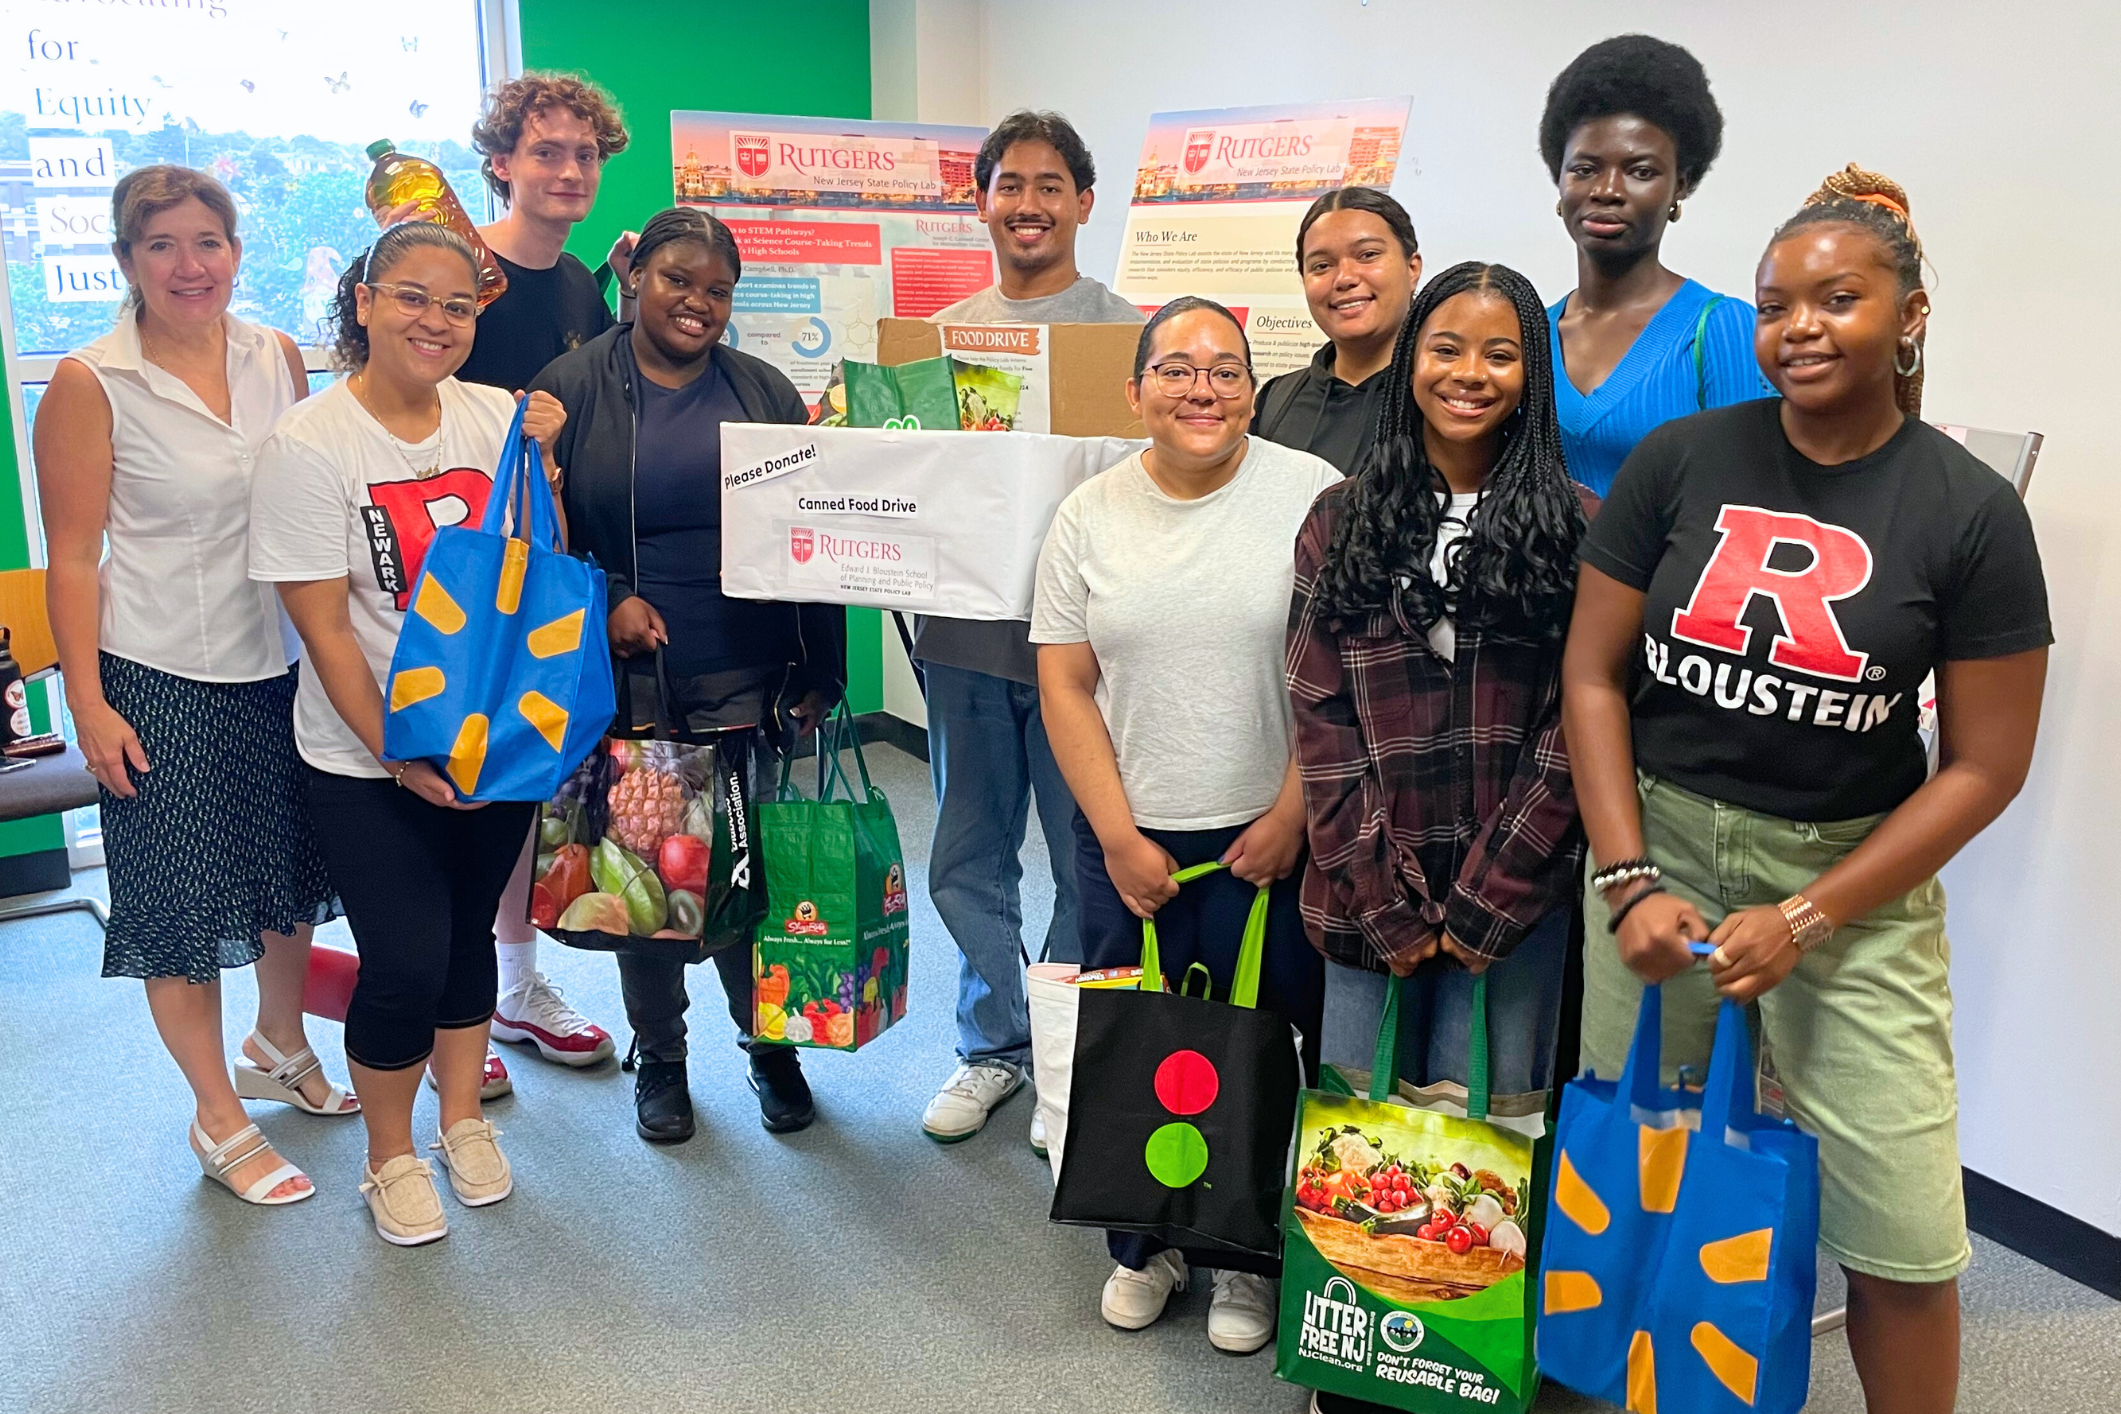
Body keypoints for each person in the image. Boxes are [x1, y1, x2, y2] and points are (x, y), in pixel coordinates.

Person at [1561, 169, 2049, 1414]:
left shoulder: (1970, 511)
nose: (1801, 327)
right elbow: (1594, 673)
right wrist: (1625, 876)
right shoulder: (1681, 459)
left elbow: (1987, 764)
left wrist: (1812, 914)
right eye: (1778, 304)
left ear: (1911, 313)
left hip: (1855, 885)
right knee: (1638, 1172)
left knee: (1903, 1232)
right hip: (1655, 853)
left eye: (1839, 298)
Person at [1287, 264, 1592, 1414]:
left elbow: (1578, 725)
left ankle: (1462, 1362)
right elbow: (1316, 711)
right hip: (1368, 887)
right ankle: (1357, 1361)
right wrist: (1385, 892)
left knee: (1494, 1121)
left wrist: (1488, 895)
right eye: (1447, 349)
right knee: (1366, 1119)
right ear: (1411, 360)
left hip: (1515, 900)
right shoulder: (1341, 516)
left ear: (1531, 377)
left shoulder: (1576, 526)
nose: (1470, 374)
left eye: (1500, 353)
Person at [34, 165, 351, 1208]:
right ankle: (217, 1114)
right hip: (155, 669)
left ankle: (279, 1037)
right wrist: (87, 702)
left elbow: (309, 507)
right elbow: (72, 556)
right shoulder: (92, 380)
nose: (188, 265)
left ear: (235, 252)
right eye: (161, 245)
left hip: (278, 661)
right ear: (126, 260)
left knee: (286, 877)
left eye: (206, 242)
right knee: (179, 901)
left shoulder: (275, 357)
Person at [249, 222, 570, 1246]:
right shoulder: (309, 446)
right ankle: (389, 1155)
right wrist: (399, 748)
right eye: (412, 298)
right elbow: (326, 627)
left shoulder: (499, 421)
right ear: (365, 301)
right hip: (364, 755)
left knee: (467, 936)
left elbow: (531, 575)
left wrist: (548, 452)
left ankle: (463, 1120)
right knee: (402, 956)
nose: (435, 321)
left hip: (494, 743)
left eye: (458, 305)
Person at [1033, 297, 1339, 1355]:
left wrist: (1298, 805)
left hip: (1269, 839)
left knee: (1263, 1045)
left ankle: (1248, 1254)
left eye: (1225, 370)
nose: (1201, 388)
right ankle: (1144, 1242)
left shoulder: (1310, 494)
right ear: (1136, 390)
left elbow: (1347, 666)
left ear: (1255, 387)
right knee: (1141, 1048)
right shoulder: (1090, 513)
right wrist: (1116, 834)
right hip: (1131, 838)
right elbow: (1067, 681)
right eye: (1175, 368)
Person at [530, 208, 846, 1143]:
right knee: (645, 883)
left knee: (748, 876)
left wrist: (819, 669)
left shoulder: (762, 390)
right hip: (633, 676)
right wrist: (611, 598)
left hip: (748, 668)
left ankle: (770, 1046)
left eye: (716, 290)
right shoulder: (573, 386)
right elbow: (541, 538)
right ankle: (660, 1061)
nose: (696, 303)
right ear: (634, 281)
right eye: (677, 281)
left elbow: (813, 531)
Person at [377, 71, 638, 1084]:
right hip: (443, 564)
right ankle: (452, 1001)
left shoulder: (578, 282)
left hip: (540, 561)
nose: (569, 170)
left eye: (584, 154)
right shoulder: (458, 270)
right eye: (546, 151)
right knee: (439, 769)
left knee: (521, 771)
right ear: (501, 163)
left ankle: (510, 989)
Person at [916, 111, 1144, 1150]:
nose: (1029, 204)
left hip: (1085, 655)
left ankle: (1062, 1053)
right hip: (964, 640)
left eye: (1051, 185)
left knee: (1083, 854)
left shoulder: (1128, 336)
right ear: (983, 202)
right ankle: (992, 1045)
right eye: (1010, 184)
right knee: (967, 853)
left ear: (1084, 204)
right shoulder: (938, 342)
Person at [1539, 34, 1770, 495]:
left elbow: (1749, 506)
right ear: (1559, 178)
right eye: (1584, 168)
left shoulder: (1724, 331)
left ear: (1679, 187)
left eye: (1640, 171)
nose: (1607, 189)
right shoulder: (1528, 333)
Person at [1252, 187, 1422, 473]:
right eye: (1322, 265)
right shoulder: (1275, 400)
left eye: (1367, 255)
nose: (1344, 278)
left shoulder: (1445, 399)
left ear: (1412, 268)